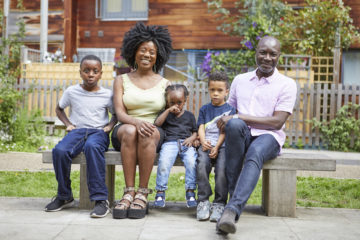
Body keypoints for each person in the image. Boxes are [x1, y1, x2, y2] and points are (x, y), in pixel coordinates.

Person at [216, 36, 297, 234]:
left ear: (279, 56)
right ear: (256, 53)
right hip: (241, 135)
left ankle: (231, 211)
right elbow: (231, 112)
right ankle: (232, 203)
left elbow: (277, 122)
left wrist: (240, 117)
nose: (267, 58)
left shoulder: (286, 84)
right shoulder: (240, 80)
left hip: (269, 137)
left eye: (273, 54)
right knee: (234, 125)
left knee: (255, 152)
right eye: (263, 52)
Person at [111, 22, 172, 219]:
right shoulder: (121, 80)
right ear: (134, 52)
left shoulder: (165, 83)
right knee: (131, 130)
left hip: (153, 132)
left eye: (152, 52)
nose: (147, 55)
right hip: (125, 129)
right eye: (143, 50)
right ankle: (129, 191)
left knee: (147, 133)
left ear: (158, 56)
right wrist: (136, 122)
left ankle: (142, 193)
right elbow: (120, 114)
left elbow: (170, 113)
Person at [45, 55, 117, 218]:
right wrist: (68, 124)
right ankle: (64, 196)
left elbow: (115, 114)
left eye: (95, 71)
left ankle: (100, 200)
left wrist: (109, 127)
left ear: (100, 74)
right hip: (77, 131)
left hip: (98, 132)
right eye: (86, 70)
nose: (90, 74)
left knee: (92, 148)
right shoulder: (72, 91)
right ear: (80, 72)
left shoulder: (107, 94)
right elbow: (59, 109)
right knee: (60, 151)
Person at [196, 71, 236, 222]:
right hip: (206, 144)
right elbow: (200, 127)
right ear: (208, 90)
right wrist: (203, 140)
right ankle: (203, 201)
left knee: (221, 171)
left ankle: (219, 203)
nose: (216, 93)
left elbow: (225, 132)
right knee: (201, 165)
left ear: (226, 92)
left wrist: (217, 147)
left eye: (220, 90)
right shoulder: (205, 109)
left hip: (223, 145)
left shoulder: (230, 110)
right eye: (212, 90)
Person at [153, 84, 198, 209]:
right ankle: (160, 192)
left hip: (186, 143)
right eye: (172, 102)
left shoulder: (189, 115)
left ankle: (190, 191)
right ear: (167, 101)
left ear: (185, 100)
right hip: (170, 143)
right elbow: (157, 124)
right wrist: (167, 111)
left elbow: (195, 131)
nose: (176, 105)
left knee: (191, 161)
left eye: (179, 102)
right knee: (164, 162)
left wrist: (192, 138)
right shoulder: (165, 114)